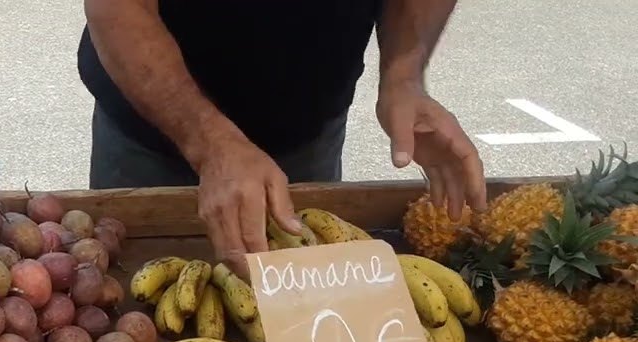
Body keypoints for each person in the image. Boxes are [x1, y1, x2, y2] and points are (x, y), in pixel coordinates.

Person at [79, 0, 487, 275]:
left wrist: (404, 73)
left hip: (307, 133)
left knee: (308, 322)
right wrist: (211, 143)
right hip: (152, 138)